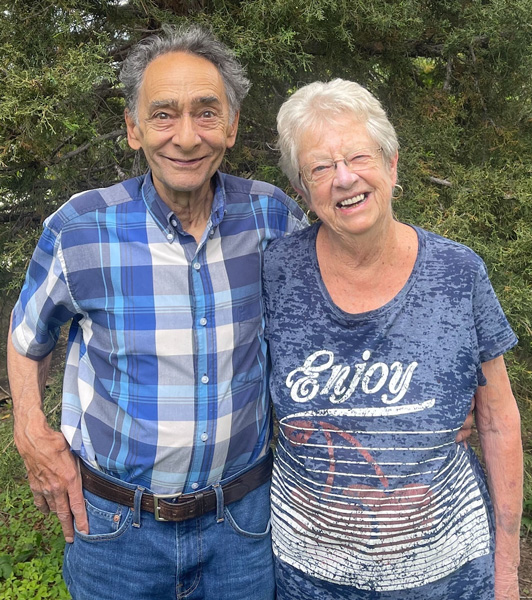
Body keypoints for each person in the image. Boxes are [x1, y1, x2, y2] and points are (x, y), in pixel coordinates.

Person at [7, 25, 307, 600]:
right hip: (115, 532)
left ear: (233, 127)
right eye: (164, 114)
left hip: (243, 529)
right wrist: (29, 430)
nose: (187, 137)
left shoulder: (273, 219)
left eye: (206, 112)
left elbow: (336, 311)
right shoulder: (80, 229)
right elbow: (28, 339)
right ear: (133, 129)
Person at [263, 78, 523, 600]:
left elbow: (497, 421)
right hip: (308, 581)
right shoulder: (272, 273)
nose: (343, 178)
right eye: (319, 167)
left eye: (359, 156)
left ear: (392, 164)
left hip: (449, 577)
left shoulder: (458, 272)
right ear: (302, 190)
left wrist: (508, 571)